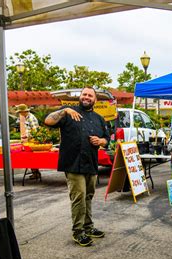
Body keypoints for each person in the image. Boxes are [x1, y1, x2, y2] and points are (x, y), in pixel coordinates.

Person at [44, 87, 109, 247]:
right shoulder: (68, 112)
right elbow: (48, 121)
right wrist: (64, 110)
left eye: (90, 95)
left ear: (95, 100)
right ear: (80, 97)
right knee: (79, 196)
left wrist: (101, 141)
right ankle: (78, 231)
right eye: (84, 94)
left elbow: (107, 139)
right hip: (72, 163)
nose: (87, 97)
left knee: (88, 196)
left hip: (91, 163)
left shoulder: (99, 118)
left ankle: (88, 226)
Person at [16, 104, 40, 179]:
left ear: (23, 111)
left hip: (33, 141)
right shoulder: (26, 117)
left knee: (32, 157)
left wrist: (27, 137)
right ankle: (35, 173)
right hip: (29, 140)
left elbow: (35, 131)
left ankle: (36, 173)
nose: (20, 113)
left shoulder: (31, 118)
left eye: (20, 112)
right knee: (30, 158)